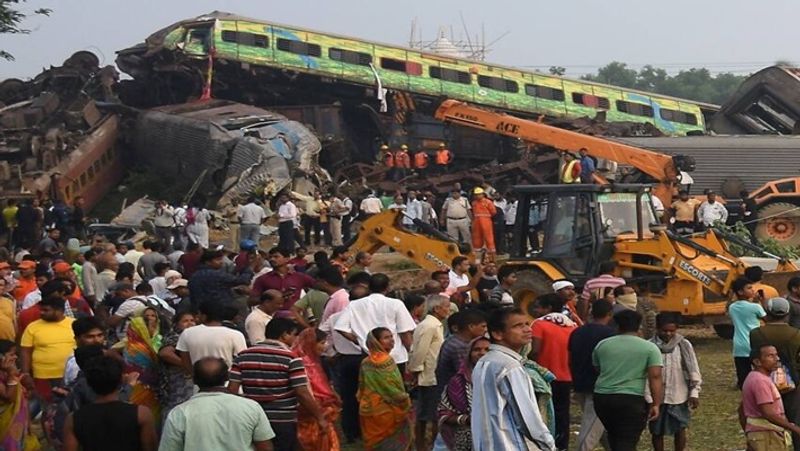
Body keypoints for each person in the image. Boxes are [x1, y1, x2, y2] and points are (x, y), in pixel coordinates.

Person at [229, 318, 327, 451]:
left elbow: (232, 390)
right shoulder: (290, 358)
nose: (295, 339)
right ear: (284, 335)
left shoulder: (242, 356)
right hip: (282, 419)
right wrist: (320, 417)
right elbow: (302, 392)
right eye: (294, 335)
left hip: (252, 418)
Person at [471, 307, 555, 450]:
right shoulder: (510, 367)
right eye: (518, 326)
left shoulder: (485, 361)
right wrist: (549, 445)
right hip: (507, 444)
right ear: (497, 334)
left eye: (527, 324)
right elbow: (527, 418)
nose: (527, 329)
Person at [592, 309, 663, 451]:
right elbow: (655, 376)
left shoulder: (602, 345)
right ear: (639, 326)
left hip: (602, 397)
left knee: (614, 436)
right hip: (631, 399)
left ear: (617, 326)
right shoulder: (649, 348)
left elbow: (598, 368)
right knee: (627, 440)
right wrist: (656, 404)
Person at [63, 356, 157, 451]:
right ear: (121, 380)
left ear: (89, 383)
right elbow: (150, 447)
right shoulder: (142, 414)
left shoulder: (73, 419)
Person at [334, 273, 416, 368]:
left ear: (368, 287)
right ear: (388, 287)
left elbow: (340, 327)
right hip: (395, 357)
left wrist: (360, 340)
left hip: (369, 355)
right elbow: (405, 332)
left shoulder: (354, 305)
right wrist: (411, 352)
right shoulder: (396, 304)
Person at [646, 313, 702, 451]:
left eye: (672, 330)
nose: (668, 334)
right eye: (664, 330)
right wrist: (648, 398)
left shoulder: (683, 345)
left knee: (680, 428)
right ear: (657, 329)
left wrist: (694, 392)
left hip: (678, 394)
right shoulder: (648, 346)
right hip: (655, 396)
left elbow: (693, 369)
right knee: (656, 431)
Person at [750, 297, 800, 451]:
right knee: (795, 418)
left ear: (768, 313)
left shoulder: (756, 333)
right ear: (787, 314)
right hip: (793, 381)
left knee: (767, 416)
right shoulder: (796, 334)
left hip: (764, 380)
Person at [530, 293, 578, 451]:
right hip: (566, 376)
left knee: (541, 413)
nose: (535, 310)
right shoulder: (571, 325)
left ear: (548, 308)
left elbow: (535, 350)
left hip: (543, 376)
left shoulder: (538, 324)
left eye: (538, 307)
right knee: (563, 413)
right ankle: (561, 445)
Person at [569, 299, 615, 451]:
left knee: (598, 425)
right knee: (590, 430)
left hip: (579, 383)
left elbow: (570, 359)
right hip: (598, 387)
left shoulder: (577, 332)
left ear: (591, 312)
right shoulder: (610, 335)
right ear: (610, 314)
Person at [358, 327, 413, 450]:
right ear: (376, 342)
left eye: (391, 336)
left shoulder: (365, 362)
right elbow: (393, 388)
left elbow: (361, 387)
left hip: (368, 408)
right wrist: (404, 399)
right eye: (386, 338)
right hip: (386, 410)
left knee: (374, 443)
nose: (391, 340)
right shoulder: (386, 361)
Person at [408, 295, 450, 451]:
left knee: (432, 414)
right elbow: (419, 352)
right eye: (446, 306)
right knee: (425, 415)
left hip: (434, 375)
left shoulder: (435, 325)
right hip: (428, 376)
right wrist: (416, 371)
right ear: (437, 308)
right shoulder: (429, 326)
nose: (448, 310)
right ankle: (422, 445)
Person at [740, 344, 800, 450]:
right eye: (770, 356)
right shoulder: (760, 381)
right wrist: (794, 428)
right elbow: (768, 414)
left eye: (776, 355)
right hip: (766, 435)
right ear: (757, 362)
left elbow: (741, 409)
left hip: (763, 434)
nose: (777, 359)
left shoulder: (757, 377)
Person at [436, 336, 489, 451]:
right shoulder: (458, 382)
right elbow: (444, 412)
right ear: (469, 353)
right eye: (477, 350)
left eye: (487, 350)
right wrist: (466, 420)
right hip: (466, 437)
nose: (482, 353)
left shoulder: (501, 379)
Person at [292, 328, 341, 450]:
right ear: (310, 343)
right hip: (310, 414)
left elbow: (323, 385)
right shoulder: (302, 364)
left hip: (320, 414)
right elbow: (304, 392)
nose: (325, 347)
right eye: (322, 343)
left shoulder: (315, 362)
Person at [20, 295, 75, 404]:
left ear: (59, 311)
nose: (42, 313)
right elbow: (25, 351)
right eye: (41, 310)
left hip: (68, 376)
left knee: (66, 406)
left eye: (46, 310)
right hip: (42, 376)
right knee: (45, 406)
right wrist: (26, 373)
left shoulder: (74, 324)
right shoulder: (32, 327)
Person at [176, 301, 247, 367]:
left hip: (198, 378)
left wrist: (194, 374)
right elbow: (242, 360)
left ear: (204, 316)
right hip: (227, 378)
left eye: (199, 314)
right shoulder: (235, 335)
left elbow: (185, 359)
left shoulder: (187, 333)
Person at [157, 311, 196, 423]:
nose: (190, 323)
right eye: (185, 321)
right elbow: (165, 353)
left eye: (192, 320)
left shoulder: (193, 336)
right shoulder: (175, 336)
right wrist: (187, 366)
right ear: (177, 324)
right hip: (177, 379)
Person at [729, 277, 767, 388]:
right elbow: (767, 319)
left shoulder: (732, 307)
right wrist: (762, 302)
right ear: (740, 291)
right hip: (754, 343)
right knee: (761, 372)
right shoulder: (756, 307)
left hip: (739, 345)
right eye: (749, 288)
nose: (752, 290)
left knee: (743, 375)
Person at [0, 339, 36, 450]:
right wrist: (11, 374)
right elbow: (9, 397)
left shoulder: (8, 372)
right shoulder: (8, 373)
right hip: (5, 424)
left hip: (19, 425)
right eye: (11, 355)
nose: (15, 357)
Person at [188, 249, 253, 310]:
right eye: (218, 260)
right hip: (218, 310)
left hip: (199, 311)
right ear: (207, 262)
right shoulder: (216, 274)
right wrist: (250, 268)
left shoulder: (194, 276)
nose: (221, 262)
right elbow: (242, 280)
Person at [471, 187, 497, 259]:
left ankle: (492, 254)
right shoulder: (474, 203)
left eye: (479, 194)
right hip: (476, 221)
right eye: (476, 195)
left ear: (483, 194)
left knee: (488, 237)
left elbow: (493, 212)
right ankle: (478, 254)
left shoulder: (488, 202)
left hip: (486, 220)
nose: (477, 196)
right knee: (477, 237)